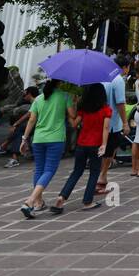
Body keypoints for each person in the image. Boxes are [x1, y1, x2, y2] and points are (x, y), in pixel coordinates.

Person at [51, 82, 110, 214]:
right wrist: (104, 144)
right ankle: (87, 201)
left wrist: (72, 106)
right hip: (96, 145)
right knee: (94, 173)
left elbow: (73, 124)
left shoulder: (84, 110)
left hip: (81, 144)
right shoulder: (106, 109)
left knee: (76, 172)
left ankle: (62, 197)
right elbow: (105, 128)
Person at [19, 78, 73, 219]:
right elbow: (73, 115)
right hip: (55, 139)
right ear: (60, 83)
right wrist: (75, 101)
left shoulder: (38, 99)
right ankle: (30, 201)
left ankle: (38, 202)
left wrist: (24, 139)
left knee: (39, 169)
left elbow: (31, 120)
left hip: (38, 139)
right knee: (49, 170)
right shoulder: (65, 96)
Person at [97, 55, 131, 196]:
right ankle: (100, 180)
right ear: (124, 67)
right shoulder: (118, 80)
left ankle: (101, 179)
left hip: (99, 121)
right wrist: (125, 122)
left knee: (104, 152)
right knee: (108, 152)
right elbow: (120, 103)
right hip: (112, 122)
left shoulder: (103, 78)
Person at [0, 86, 37, 167]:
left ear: (30, 94)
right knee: (18, 131)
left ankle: (4, 148)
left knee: (18, 129)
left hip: (40, 124)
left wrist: (15, 124)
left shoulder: (37, 101)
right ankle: (11, 155)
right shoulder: (35, 102)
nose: (23, 96)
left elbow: (29, 115)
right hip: (36, 124)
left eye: (25, 94)